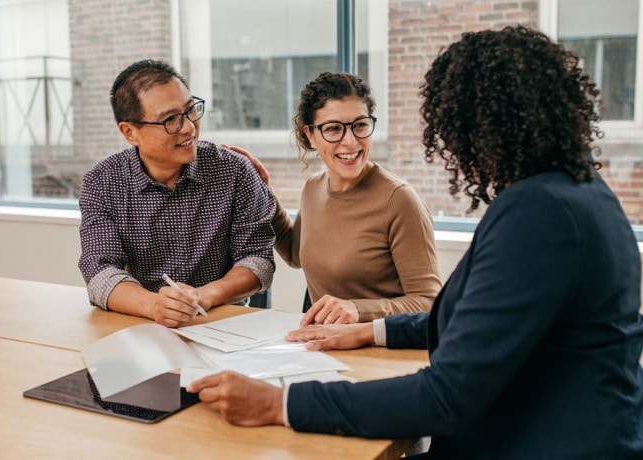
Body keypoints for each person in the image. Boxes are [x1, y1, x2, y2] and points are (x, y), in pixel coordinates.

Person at [187, 26, 643, 459]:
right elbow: (468, 321)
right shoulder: (573, 193)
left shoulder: (541, 214)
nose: (457, 152)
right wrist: (369, 331)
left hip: (545, 445)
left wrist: (280, 404)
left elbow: (447, 394)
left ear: (486, 128)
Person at [232, 71, 442, 326]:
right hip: (326, 344)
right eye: (334, 129)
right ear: (310, 134)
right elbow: (295, 254)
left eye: (360, 125)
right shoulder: (313, 188)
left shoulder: (400, 201)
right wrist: (264, 191)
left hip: (381, 353)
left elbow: (429, 303)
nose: (351, 141)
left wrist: (357, 309)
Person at [78, 59, 276, 327]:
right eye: (170, 119)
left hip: (222, 322)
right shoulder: (102, 182)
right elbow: (100, 272)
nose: (188, 127)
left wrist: (204, 296)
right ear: (130, 132)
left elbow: (258, 261)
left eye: (190, 110)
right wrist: (154, 305)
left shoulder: (235, 170)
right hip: (140, 323)